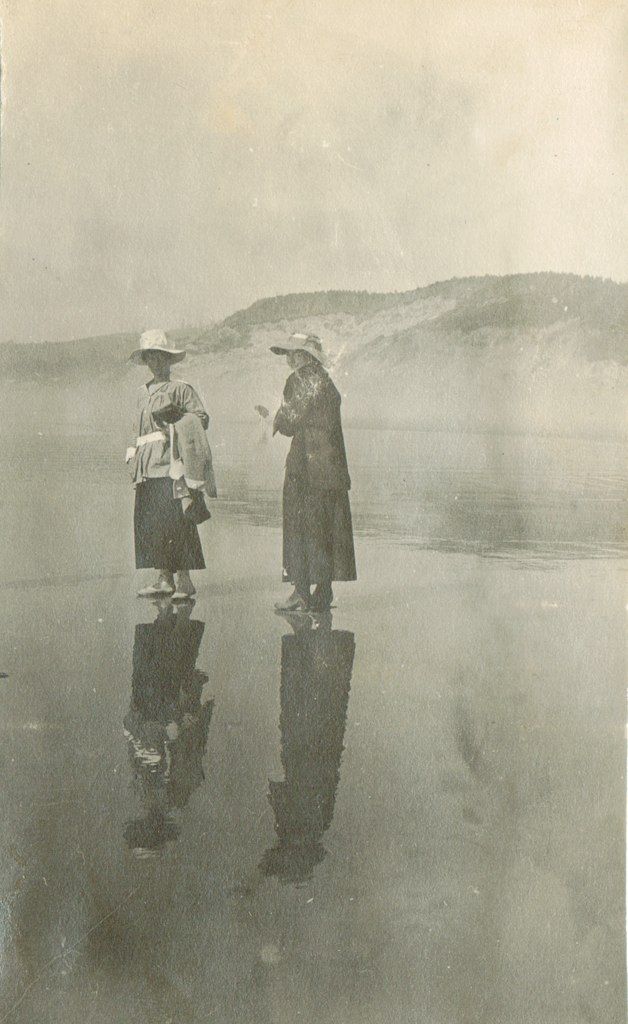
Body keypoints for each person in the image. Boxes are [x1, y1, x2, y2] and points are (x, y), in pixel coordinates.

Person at [271, 333, 356, 612]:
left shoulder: (298, 380)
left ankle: (300, 594)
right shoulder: (327, 383)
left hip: (305, 468)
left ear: (301, 356)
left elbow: (289, 423)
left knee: (300, 527)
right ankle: (323, 592)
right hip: (332, 468)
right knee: (326, 528)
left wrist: (276, 418)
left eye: (290, 354)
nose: (287, 359)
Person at [126, 329, 212, 600]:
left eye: (160, 357)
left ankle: (184, 580)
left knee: (178, 521)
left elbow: (201, 419)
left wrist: (175, 419)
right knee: (152, 523)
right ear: (146, 360)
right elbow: (137, 430)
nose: (155, 362)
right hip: (147, 466)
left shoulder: (180, 388)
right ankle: (164, 578)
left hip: (171, 465)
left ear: (169, 360)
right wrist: (133, 460)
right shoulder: (141, 392)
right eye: (150, 357)